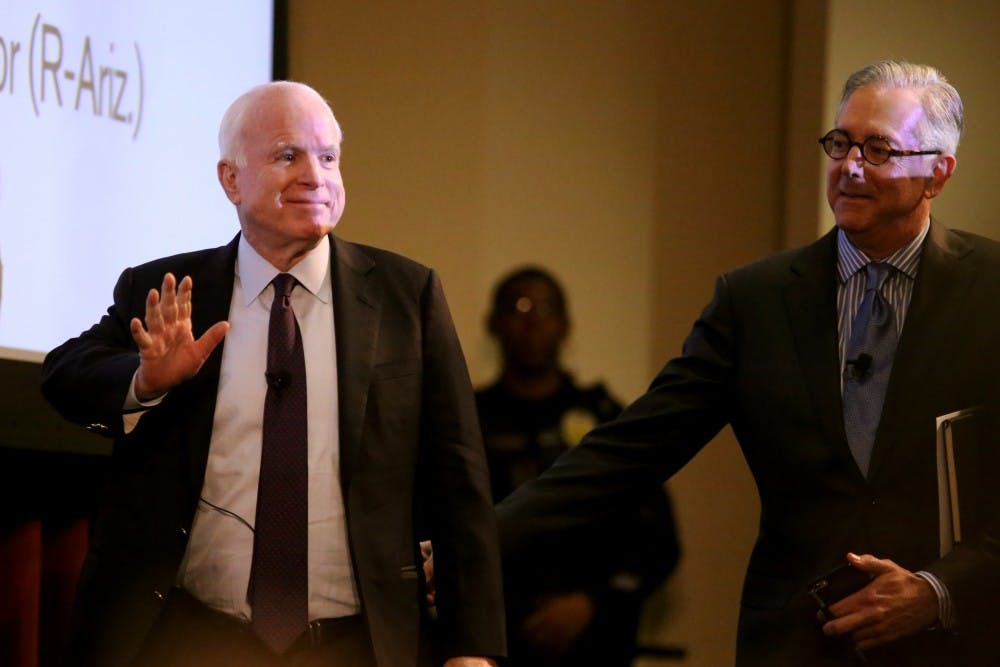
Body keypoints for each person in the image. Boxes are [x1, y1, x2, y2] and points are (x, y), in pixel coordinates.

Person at [495, 60, 1000, 666]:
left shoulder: (990, 291)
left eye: (878, 150)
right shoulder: (756, 300)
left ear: (937, 173)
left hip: (951, 645)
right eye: (840, 143)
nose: (850, 166)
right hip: (794, 644)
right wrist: (476, 543)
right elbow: (626, 452)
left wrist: (939, 590)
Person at [40, 81, 505, 667]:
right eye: (288, 156)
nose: (315, 176)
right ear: (231, 179)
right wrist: (146, 381)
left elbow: (460, 481)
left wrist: (471, 649)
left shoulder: (406, 296)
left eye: (328, 157)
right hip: (189, 638)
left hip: (358, 646)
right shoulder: (170, 291)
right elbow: (64, 374)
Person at [476, 266, 680, 667]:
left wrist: (591, 603)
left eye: (546, 308)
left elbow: (658, 541)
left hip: (596, 643)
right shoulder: (468, 420)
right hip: (495, 641)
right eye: (519, 307)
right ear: (493, 323)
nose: (532, 321)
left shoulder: (605, 419)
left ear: (565, 326)